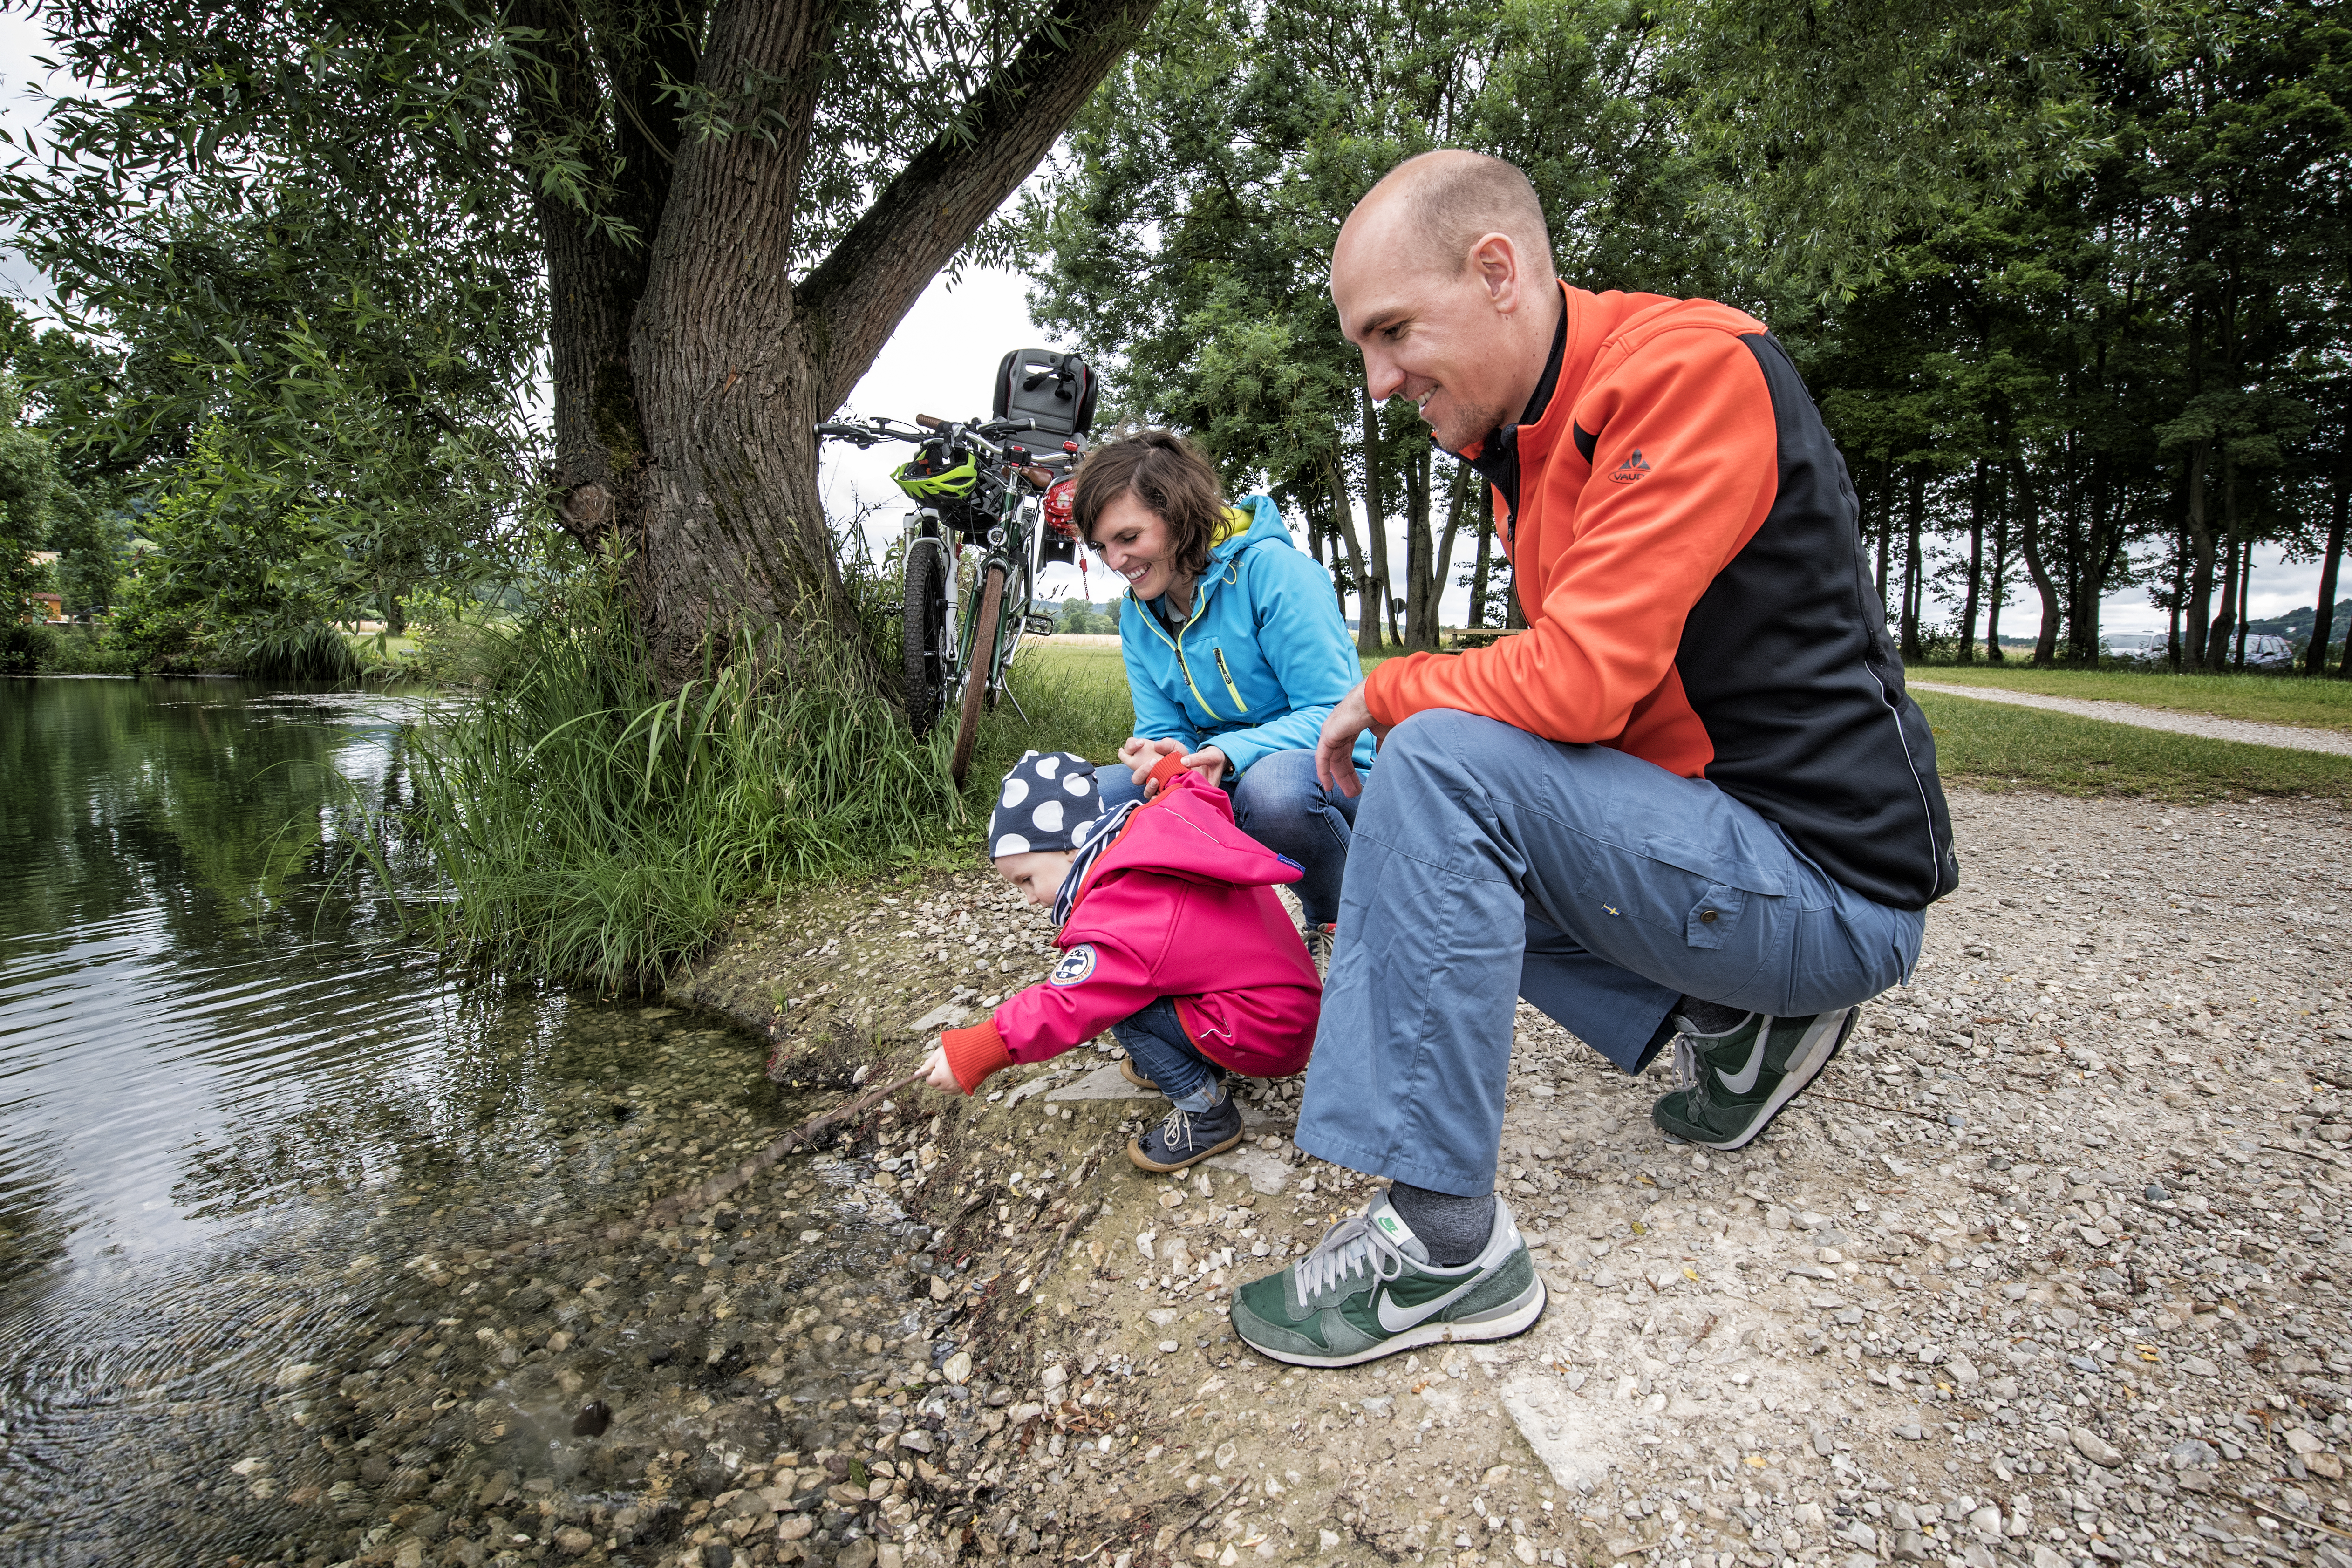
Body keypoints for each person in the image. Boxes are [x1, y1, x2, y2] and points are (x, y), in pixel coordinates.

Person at [1226, 150, 1959, 1369]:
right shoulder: (1532, 442)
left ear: (1498, 272)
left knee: (1439, 761)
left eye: (1394, 330)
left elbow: (1580, 681)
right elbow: (1580, 712)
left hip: (1834, 887)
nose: (1378, 377)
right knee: (1391, 797)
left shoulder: (1684, 374)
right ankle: (1738, 1012)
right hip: (1729, 842)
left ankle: (1443, 1240)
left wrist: (1393, 694)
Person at [919, 748, 1321, 1173]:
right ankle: (1191, 1053)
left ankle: (1206, 1114)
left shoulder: (1123, 911)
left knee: (1121, 1008)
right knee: (1137, 992)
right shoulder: (1156, 827)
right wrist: (1168, 769)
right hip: (1283, 1008)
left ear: (1073, 849)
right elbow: (1200, 795)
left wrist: (979, 1050)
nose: (1029, 898)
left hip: (1265, 1034)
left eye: (1027, 880)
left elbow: (1067, 1003)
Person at [1075, 429, 1372, 967]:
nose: (1114, 561)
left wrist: (1231, 751)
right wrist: (1160, 754)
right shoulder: (1137, 613)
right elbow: (1168, 729)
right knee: (1093, 797)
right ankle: (1174, 957)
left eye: (1128, 537)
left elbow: (1335, 713)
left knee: (1274, 791)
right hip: (1215, 772)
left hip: (1329, 771)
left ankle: (1340, 927)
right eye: (1102, 547)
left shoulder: (1275, 573)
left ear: (1180, 514)